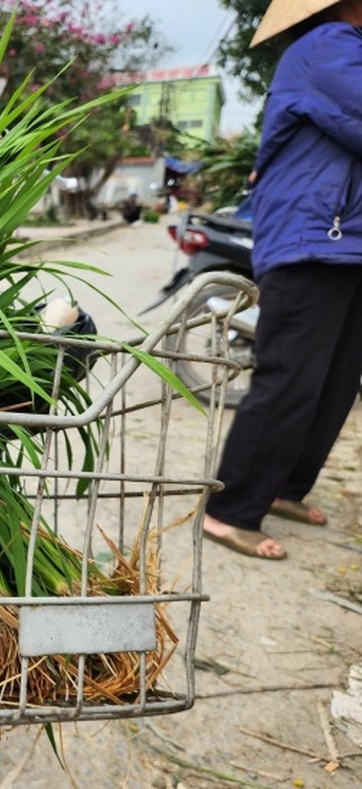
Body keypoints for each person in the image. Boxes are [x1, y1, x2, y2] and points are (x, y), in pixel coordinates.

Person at [201, 0, 362, 560]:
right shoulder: (328, 47)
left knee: (336, 381)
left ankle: (283, 489)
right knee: (291, 379)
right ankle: (229, 511)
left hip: (348, 244)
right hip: (313, 238)